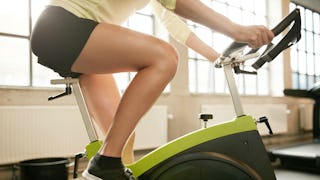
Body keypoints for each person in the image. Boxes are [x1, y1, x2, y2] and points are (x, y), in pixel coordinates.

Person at [31, 0, 274, 179]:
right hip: (63, 27)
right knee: (164, 57)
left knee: (120, 138)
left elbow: (175, 25)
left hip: (77, 36)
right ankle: (103, 166)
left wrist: (219, 58)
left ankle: (101, 170)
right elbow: (180, 3)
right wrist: (236, 30)